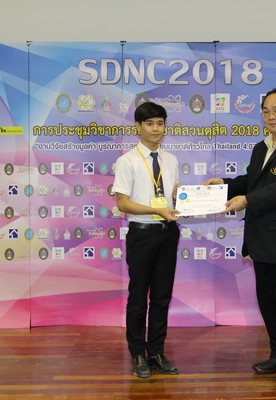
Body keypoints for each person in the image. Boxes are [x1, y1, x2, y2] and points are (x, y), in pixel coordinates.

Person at [203, 88, 276, 384]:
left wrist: (247, 200)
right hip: (263, 241)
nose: (271, 116)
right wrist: (225, 185)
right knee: (271, 303)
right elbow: (255, 181)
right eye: (266, 111)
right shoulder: (262, 146)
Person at [112, 102, 181, 378]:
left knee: (162, 297)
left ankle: (157, 352)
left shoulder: (171, 160)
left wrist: (181, 197)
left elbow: (173, 197)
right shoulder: (127, 161)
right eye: (150, 123)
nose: (156, 129)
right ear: (138, 127)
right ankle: (137, 353)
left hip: (168, 233)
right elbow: (123, 203)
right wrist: (156, 209)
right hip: (141, 234)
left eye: (160, 123)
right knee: (139, 296)